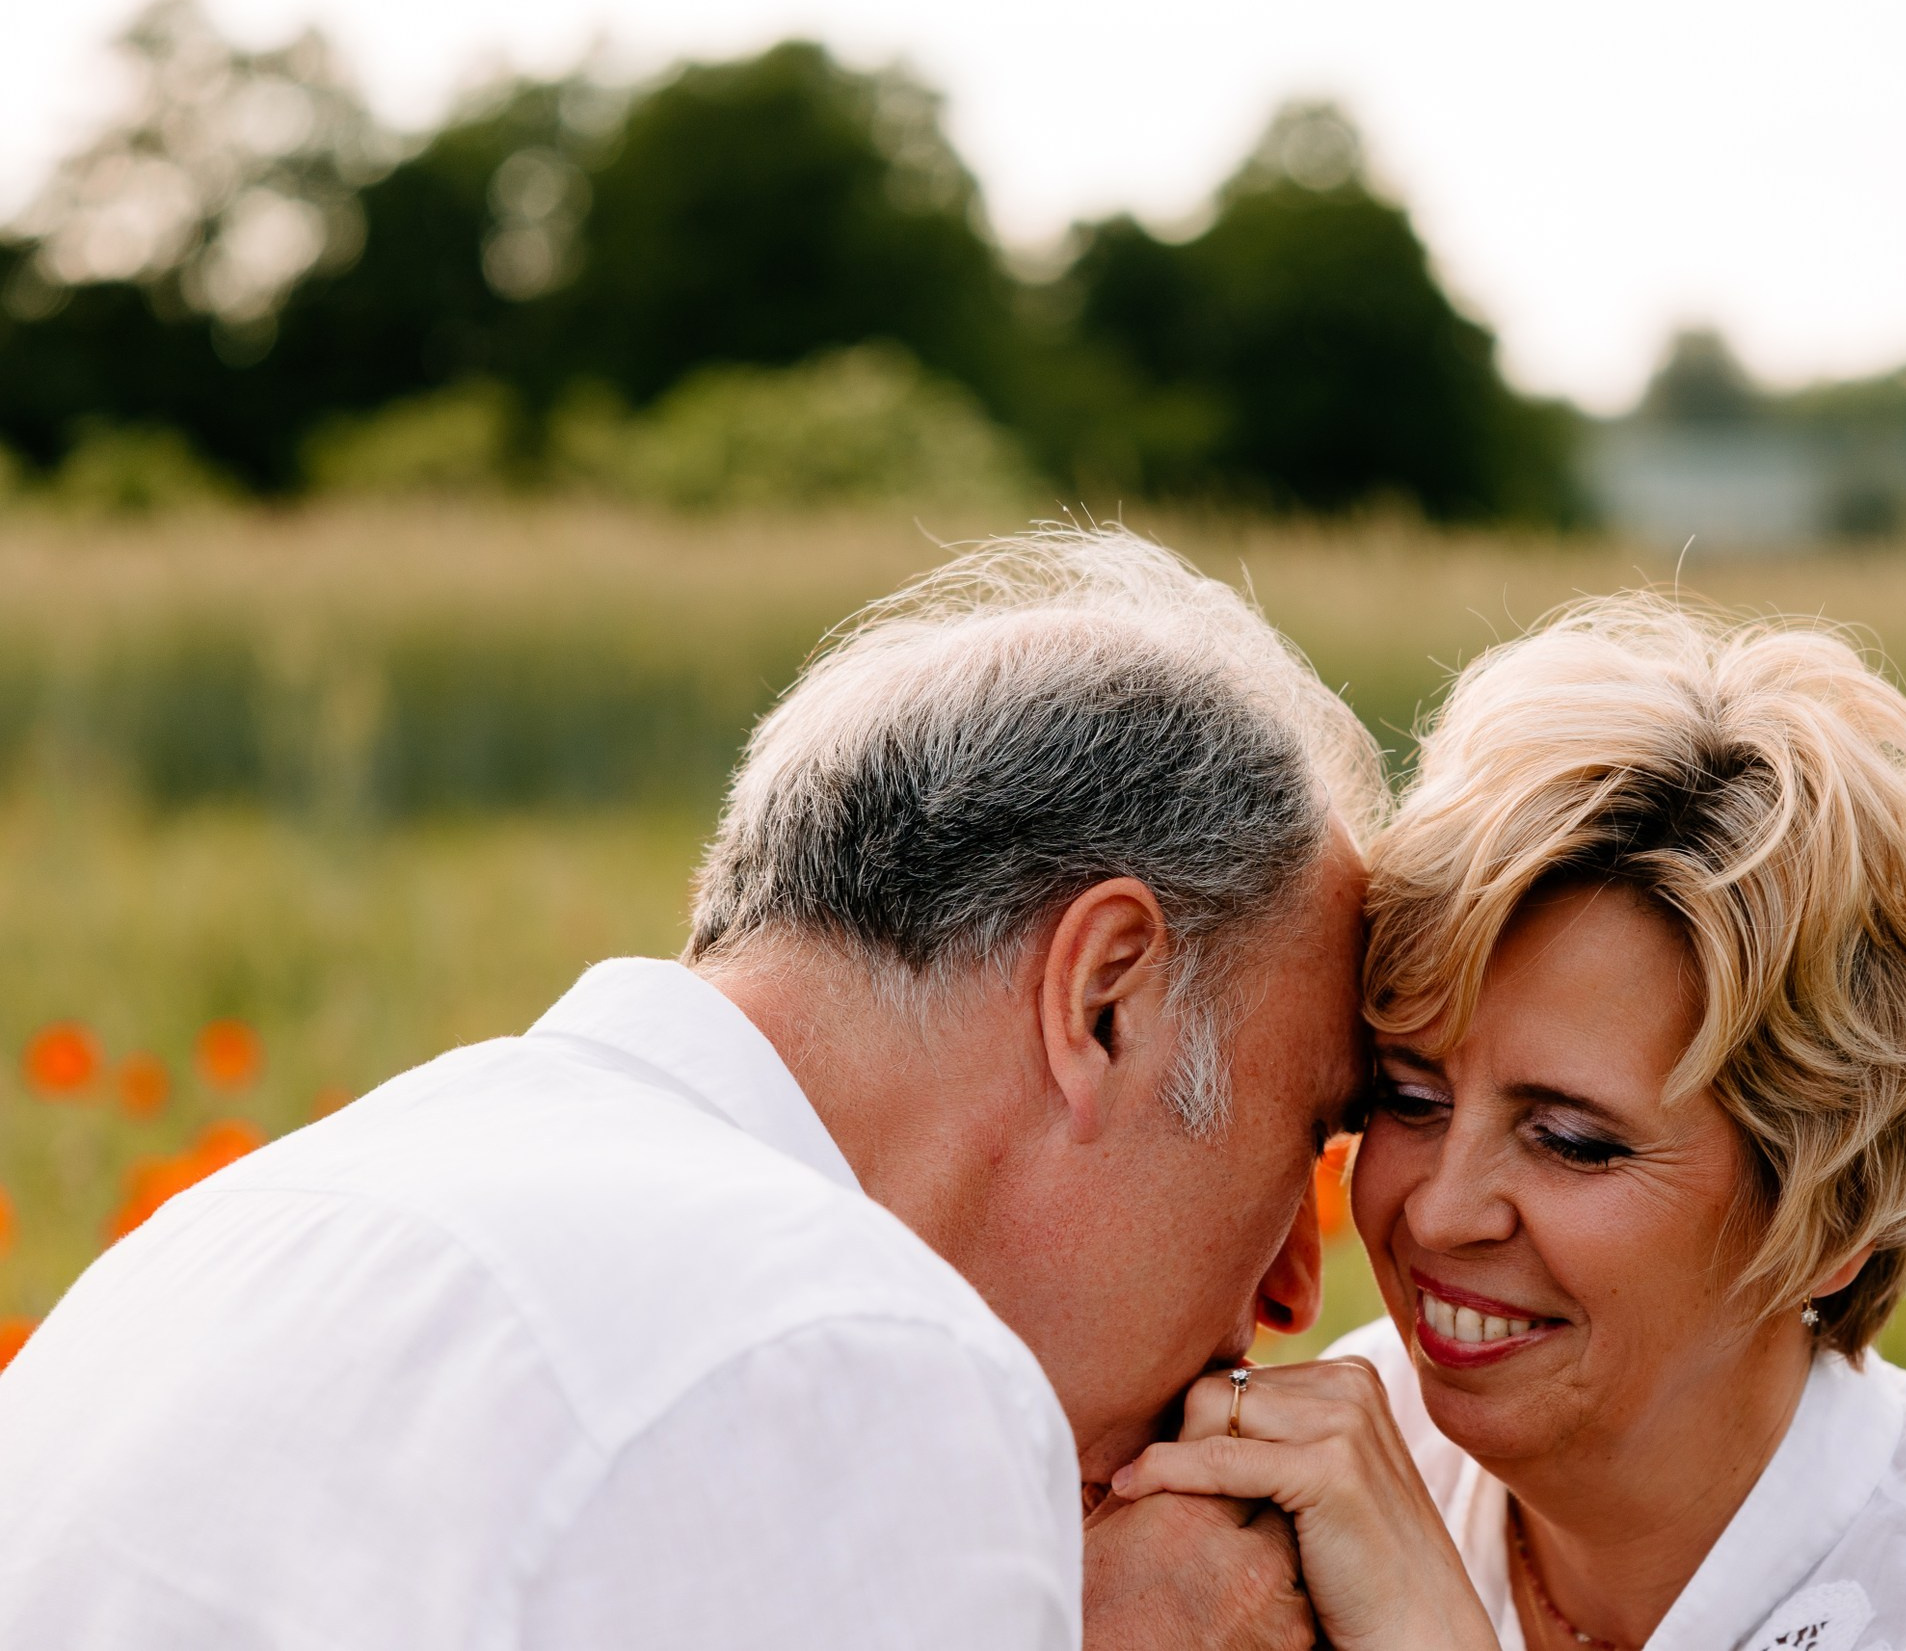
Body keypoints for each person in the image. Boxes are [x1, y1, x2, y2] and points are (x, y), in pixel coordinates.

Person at [0, 528, 1384, 1651]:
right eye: (1308, 1132)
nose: (1291, 1292)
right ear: (1104, 998)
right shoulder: (851, 1362)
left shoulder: (242, 1224)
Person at [1113, 597, 1906, 1650]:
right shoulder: (1281, 1487)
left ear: (1830, 1210)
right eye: (1411, 1098)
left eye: (1572, 1140)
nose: (1440, 1213)